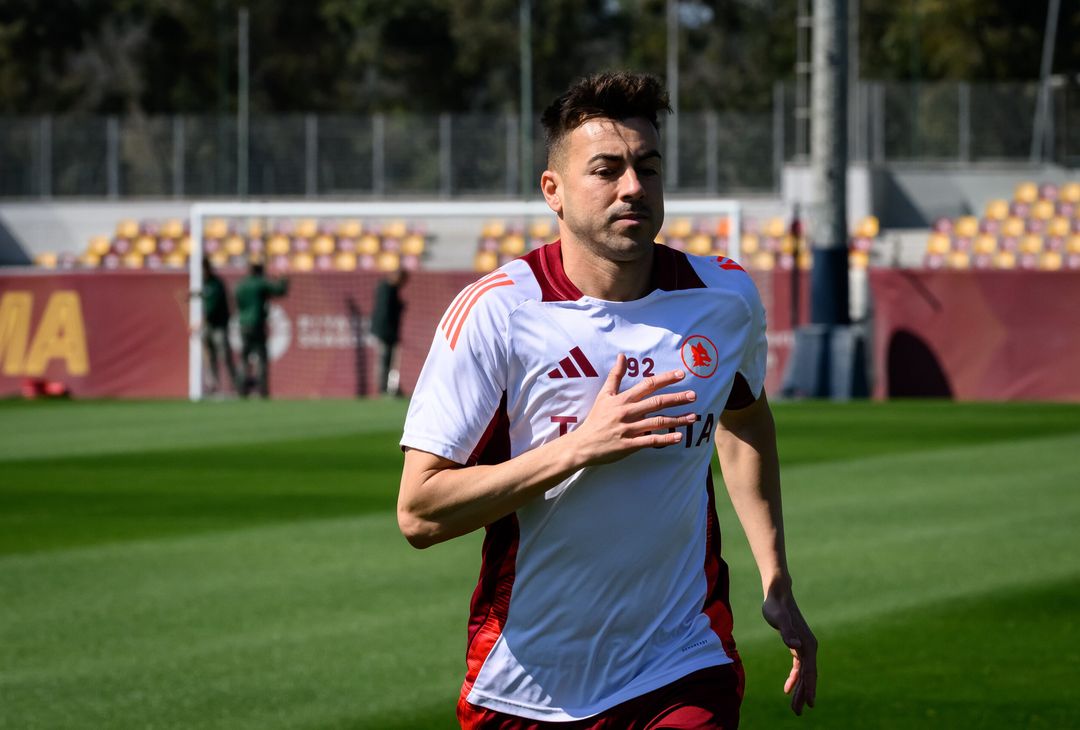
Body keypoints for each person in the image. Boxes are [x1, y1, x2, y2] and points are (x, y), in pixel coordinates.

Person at [398, 72, 816, 729]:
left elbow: (744, 418)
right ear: (554, 191)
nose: (633, 187)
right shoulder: (497, 313)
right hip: (526, 687)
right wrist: (579, 448)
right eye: (607, 169)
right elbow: (420, 512)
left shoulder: (724, 300)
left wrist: (776, 578)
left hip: (680, 663)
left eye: (648, 168)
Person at [234, 260, 288, 398]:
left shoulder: (241, 285)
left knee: (244, 358)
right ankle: (263, 390)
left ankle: (241, 389)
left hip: (243, 324)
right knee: (262, 357)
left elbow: (237, 302)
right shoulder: (260, 283)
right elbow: (279, 291)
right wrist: (283, 278)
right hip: (256, 324)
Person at [199, 258, 239, 396]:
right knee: (209, 357)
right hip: (208, 327)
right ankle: (212, 386)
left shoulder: (216, 284)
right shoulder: (201, 283)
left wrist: (202, 321)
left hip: (218, 326)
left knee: (225, 356)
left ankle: (234, 386)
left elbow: (213, 307)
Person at [370, 269, 407, 396]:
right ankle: (384, 388)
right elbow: (385, 313)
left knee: (388, 360)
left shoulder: (388, 288)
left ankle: (388, 386)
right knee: (384, 359)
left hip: (387, 331)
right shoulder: (387, 289)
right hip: (386, 332)